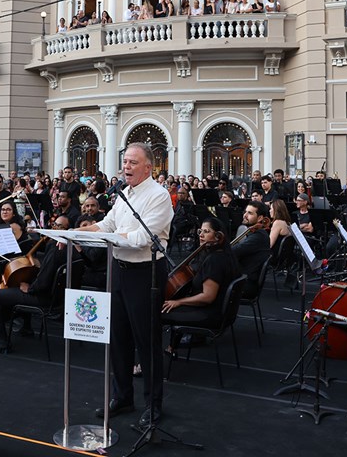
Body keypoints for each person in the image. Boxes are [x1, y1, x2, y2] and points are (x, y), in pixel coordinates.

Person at [78, 143, 173, 429]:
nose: (126, 167)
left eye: (133, 162)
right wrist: (76, 232)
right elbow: (107, 224)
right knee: (118, 337)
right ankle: (122, 397)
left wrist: (110, 237)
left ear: (148, 167)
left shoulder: (159, 196)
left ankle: (153, 404)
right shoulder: (124, 194)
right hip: (119, 270)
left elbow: (143, 238)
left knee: (147, 341)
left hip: (146, 273)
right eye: (125, 162)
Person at [161, 216, 242, 349]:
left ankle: (159, 352)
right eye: (200, 231)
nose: (201, 235)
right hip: (221, 312)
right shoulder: (226, 255)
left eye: (206, 231)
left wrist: (179, 302)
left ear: (218, 236)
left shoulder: (214, 261)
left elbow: (207, 297)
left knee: (157, 313)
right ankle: (172, 346)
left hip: (210, 314)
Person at [233, 200, 271, 298]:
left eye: (250, 213)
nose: (245, 215)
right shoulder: (254, 233)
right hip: (243, 279)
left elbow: (233, 251)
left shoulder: (258, 237)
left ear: (260, 218)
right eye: (245, 212)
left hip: (245, 284)